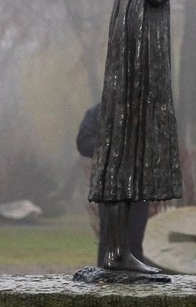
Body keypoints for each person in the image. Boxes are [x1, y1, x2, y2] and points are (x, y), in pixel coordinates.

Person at [88, 0, 182, 273]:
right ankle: (118, 253)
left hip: (124, 23)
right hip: (143, 30)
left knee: (120, 134)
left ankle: (114, 250)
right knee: (132, 133)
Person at [76, 102, 150, 267]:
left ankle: (136, 278)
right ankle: (106, 276)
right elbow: (83, 142)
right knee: (109, 237)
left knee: (134, 237)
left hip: (139, 184)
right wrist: (112, 144)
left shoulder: (143, 111)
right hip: (109, 184)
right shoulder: (98, 112)